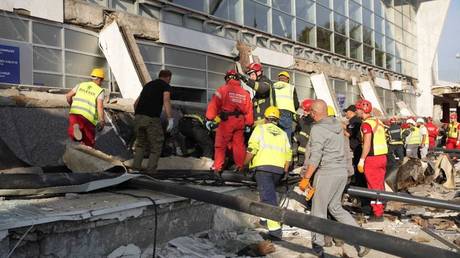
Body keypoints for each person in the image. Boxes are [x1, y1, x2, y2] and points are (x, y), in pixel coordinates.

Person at [300, 100, 369, 257]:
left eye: (311, 112)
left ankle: (317, 249)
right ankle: (363, 241)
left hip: (326, 173)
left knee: (318, 211)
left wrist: (306, 177)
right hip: (341, 173)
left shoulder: (317, 129)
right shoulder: (338, 125)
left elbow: (315, 156)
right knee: (336, 208)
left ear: (314, 113)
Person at [243, 106, 291, 240]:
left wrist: (243, 165)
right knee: (269, 194)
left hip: (263, 168)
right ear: (277, 120)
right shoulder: (282, 134)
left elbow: (252, 148)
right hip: (278, 170)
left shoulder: (260, 129)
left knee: (268, 199)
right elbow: (288, 154)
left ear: (265, 118)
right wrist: (285, 171)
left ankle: (275, 231)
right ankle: (264, 220)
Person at [206, 70, 253, 174]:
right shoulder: (245, 93)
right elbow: (249, 110)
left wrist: (210, 118)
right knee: (239, 145)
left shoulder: (223, 90)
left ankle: (217, 167)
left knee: (220, 144)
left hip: (227, 121)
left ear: (227, 78)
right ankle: (240, 167)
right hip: (240, 121)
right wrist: (249, 123)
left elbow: (214, 105)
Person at [132, 70, 174, 174]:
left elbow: (135, 103)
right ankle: (151, 171)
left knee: (140, 144)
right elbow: (166, 101)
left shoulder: (148, 85)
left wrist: (138, 115)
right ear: (168, 78)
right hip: (151, 118)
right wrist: (170, 119)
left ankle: (135, 169)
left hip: (138, 117)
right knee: (156, 145)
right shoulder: (165, 86)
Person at [356, 99, 387, 222]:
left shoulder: (366, 124)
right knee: (379, 184)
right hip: (382, 157)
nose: (356, 111)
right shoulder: (377, 121)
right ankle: (382, 205)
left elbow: (367, 144)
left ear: (362, 110)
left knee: (373, 186)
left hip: (372, 158)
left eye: (357, 109)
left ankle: (378, 213)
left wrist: (362, 160)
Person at [66, 68, 106, 147]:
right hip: (88, 118)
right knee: (89, 141)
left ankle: (75, 132)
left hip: (75, 114)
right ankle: (88, 152)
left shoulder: (81, 85)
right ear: (99, 79)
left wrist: (72, 105)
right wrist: (102, 120)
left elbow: (68, 96)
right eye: (102, 80)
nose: (101, 82)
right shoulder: (99, 90)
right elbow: (100, 106)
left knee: (74, 133)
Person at [273, 71, 299, 140]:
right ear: (287, 79)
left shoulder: (273, 86)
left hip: (274, 113)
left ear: (279, 79)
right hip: (286, 113)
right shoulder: (291, 88)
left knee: (276, 136)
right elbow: (296, 104)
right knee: (286, 137)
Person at [293, 99, 315, 166]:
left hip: (304, 150)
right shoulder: (305, 119)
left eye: (305, 110)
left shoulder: (307, 122)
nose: (303, 111)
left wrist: (296, 138)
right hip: (303, 150)